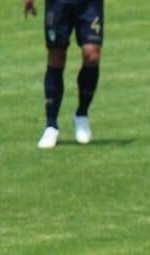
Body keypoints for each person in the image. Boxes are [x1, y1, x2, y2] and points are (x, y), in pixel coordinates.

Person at [24, 0, 104, 149]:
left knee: (91, 56)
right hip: (58, 4)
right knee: (56, 57)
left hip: (89, 5)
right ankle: (51, 125)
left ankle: (82, 114)